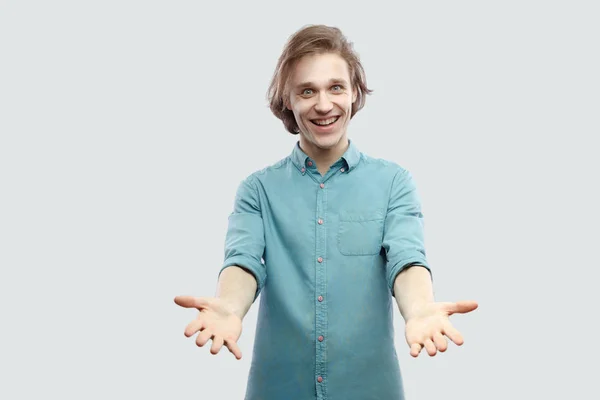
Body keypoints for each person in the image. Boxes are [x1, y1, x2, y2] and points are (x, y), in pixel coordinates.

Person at [174, 24, 478, 400]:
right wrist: (229, 307)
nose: (323, 104)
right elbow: (243, 261)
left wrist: (418, 310)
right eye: (307, 91)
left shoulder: (394, 182)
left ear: (354, 94)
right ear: (288, 101)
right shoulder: (257, 190)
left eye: (336, 87)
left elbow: (406, 259)